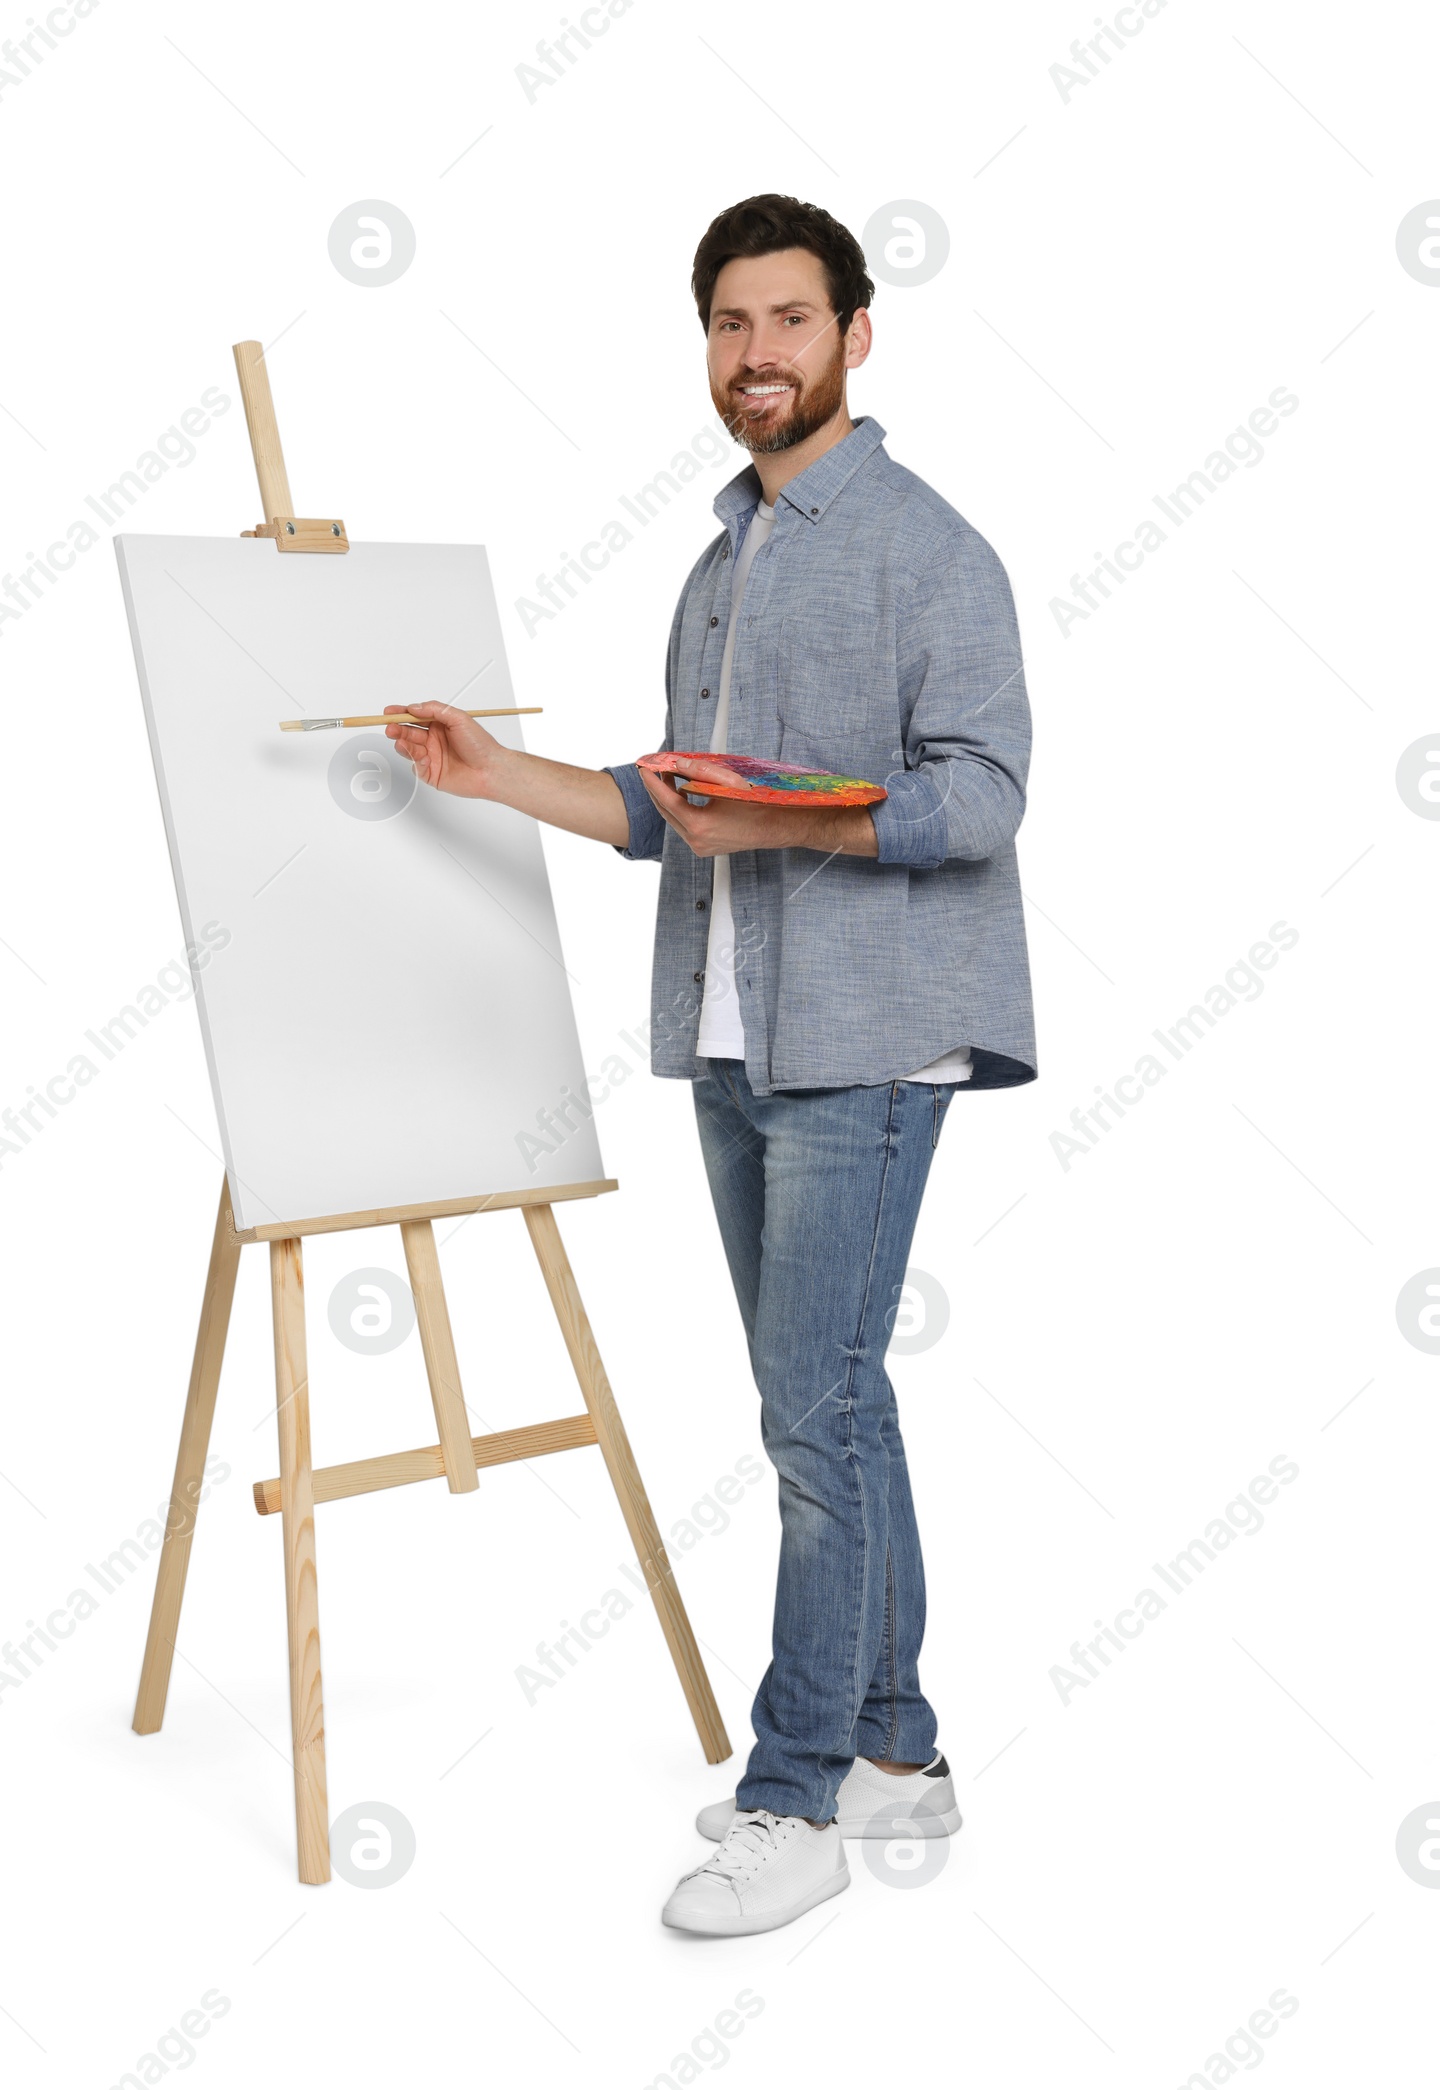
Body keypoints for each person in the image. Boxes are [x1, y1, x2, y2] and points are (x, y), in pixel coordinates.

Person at [381, 193, 1036, 1937]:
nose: (760, 355)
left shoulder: (928, 546)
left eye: (792, 323)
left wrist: (797, 813)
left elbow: (982, 795)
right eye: (733, 326)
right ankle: (899, 1749)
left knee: (806, 1412)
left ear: (854, 336)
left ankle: (794, 1791)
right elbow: (668, 818)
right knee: (840, 1402)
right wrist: (487, 775)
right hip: (734, 1041)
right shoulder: (717, 562)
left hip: (871, 1040)